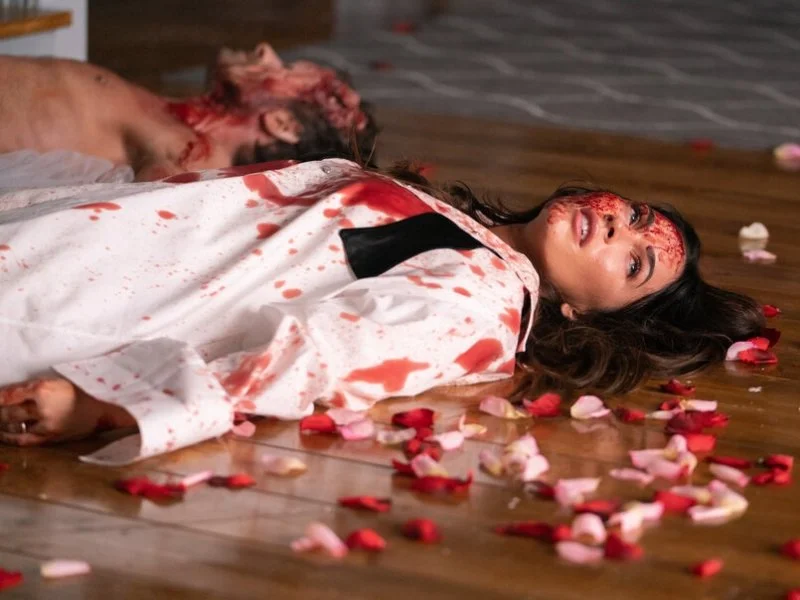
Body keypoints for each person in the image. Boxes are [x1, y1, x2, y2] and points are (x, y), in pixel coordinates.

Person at [0, 158, 763, 464]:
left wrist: (107, 403)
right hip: (79, 236)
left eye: (634, 263)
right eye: (635, 214)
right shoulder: (461, 225)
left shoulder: (487, 300)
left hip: (77, 299)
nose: (620, 227)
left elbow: (324, 354)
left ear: (585, 314)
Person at [0, 43, 377, 182]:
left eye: (284, 70)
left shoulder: (189, 151)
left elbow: (148, 208)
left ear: (282, 123)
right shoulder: (176, 121)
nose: (266, 51)